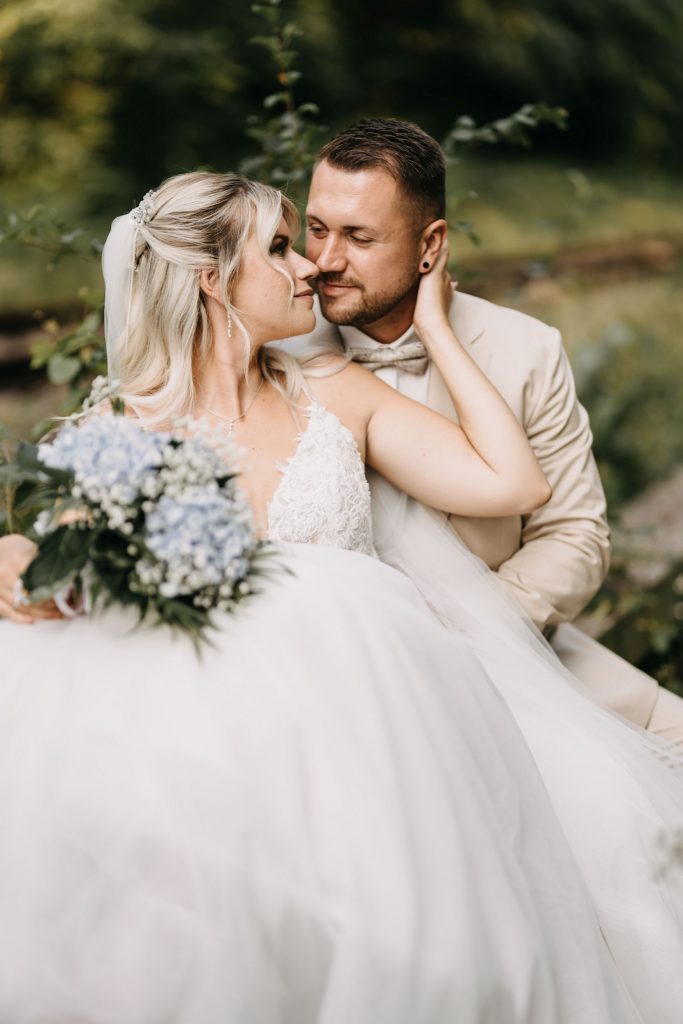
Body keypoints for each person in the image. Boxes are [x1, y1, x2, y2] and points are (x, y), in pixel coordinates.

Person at [0, 170, 661, 1023]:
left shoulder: (331, 395)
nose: (308, 266)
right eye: (279, 248)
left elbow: (514, 482)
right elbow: (59, 571)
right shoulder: (116, 434)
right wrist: (18, 551)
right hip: (200, 749)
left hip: (369, 738)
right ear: (212, 280)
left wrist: (437, 329)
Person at [276, 117, 683, 745]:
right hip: (339, 666)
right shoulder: (278, 348)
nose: (325, 260)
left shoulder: (526, 349)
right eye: (319, 228)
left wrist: (474, 633)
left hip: (503, 638)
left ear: (430, 245)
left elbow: (574, 533)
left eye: (359, 237)